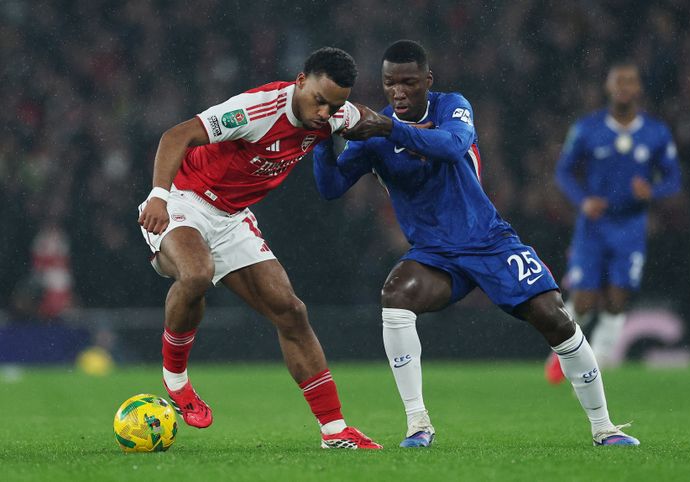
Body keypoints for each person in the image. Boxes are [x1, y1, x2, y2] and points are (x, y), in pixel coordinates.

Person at [313, 40, 639, 448]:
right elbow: (330, 187)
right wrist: (322, 139)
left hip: (489, 241)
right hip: (434, 255)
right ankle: (417, 424)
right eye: (390, 83)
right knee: (395, 295)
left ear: (427, 81)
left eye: (409, 82)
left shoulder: (451, 106)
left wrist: (388, 128)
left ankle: (604, 428)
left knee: (554, 317)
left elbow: (451, 146)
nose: (398, 92)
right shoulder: (373, 136)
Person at [137, 47, 381, 449]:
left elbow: (370, 119)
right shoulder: (257, 110)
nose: (324, 113)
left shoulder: (334, 114)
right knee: (196, 273)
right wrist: (159, 196)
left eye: (333, 106)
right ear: (300, 81)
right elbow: (176, 135)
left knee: (291, 311)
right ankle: (176, 379)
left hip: (231, 217)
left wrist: (418, 135)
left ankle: (335, 430)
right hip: (183, 198)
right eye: (319, 100)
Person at [545, 62, 681, 383]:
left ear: (638, 88)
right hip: (593, 226)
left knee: (618, 299)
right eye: (618, 81)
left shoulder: (656, 132)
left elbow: (674, 178)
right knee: (584, 300)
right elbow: (564, 171)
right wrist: (583, 200)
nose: (623, 87)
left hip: (631, 227)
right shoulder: (588, 128)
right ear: (608, 87)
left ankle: (596, 366)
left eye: (629, 81)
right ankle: (561, 354)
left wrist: (652, 191)